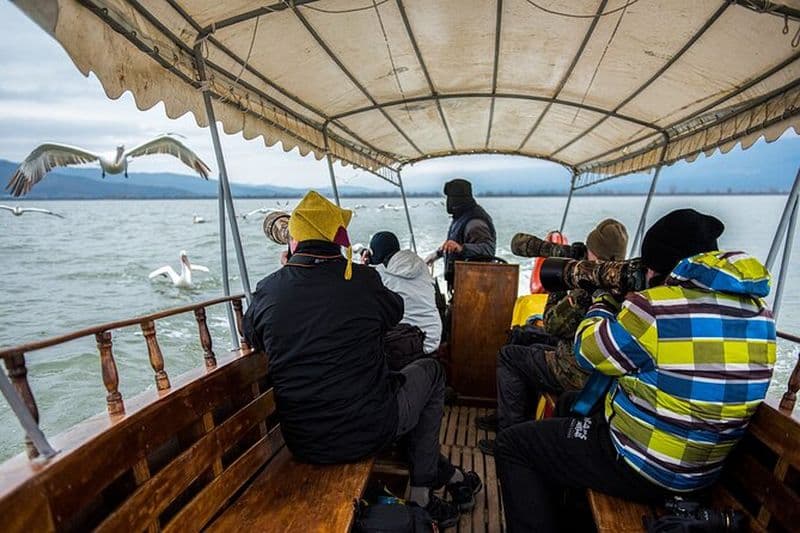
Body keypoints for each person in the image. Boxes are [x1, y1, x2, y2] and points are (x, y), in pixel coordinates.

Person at [495, 209, 776, 533]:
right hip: (703, 473)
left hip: (644, 465)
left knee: (513, 446)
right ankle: (571, 514)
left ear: (659, 267)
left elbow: (587, 353)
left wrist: (604, 300)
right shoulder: (761, 314)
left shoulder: (657, 307)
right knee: (571, 403)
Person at [243, 191, 480, 528]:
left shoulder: (269, 289)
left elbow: (252, 335)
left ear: (294, 241)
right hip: (369, 430)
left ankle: (445, 478)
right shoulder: (364, 280)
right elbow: (394, 312)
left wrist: (286, 277)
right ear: (337, 241)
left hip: (304, 441)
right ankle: (424, 491)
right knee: (431, 372)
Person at [477, 219, 628, 454]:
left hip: (577, 372)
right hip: (589, 358)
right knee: (521, 336)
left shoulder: (590, 286)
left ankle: (510, 438)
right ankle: (510, 414)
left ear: (594, 254)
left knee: (508, 356)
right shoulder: (623, 279)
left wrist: (559, 280)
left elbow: (552, 324)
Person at [366, 231, 442, 356]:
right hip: (433, 337)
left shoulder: (378, 275)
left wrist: (367, 264)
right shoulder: (421, 266)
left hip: (404, 342)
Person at [429, 178, 496, 293]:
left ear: (457, 199)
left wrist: (461, 248)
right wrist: (436, 255)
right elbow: (454, 243)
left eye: (449, 197)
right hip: (461, 283)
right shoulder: (461, 216)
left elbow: (488, 249)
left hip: (475, 287)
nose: (447, 201)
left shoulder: (474, 222)